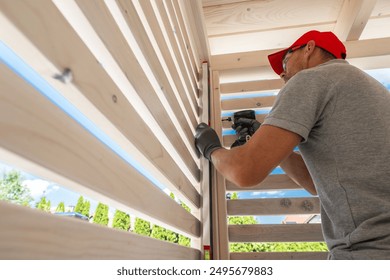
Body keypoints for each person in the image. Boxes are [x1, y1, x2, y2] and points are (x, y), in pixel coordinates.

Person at [195, 30, 390, 259]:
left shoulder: (312, 79)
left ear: (309, 48)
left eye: (285, 61)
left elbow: (244, 170)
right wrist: (268, 143)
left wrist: (211, 148)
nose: (282, 74)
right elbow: (319, 184)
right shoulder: (372, 91)